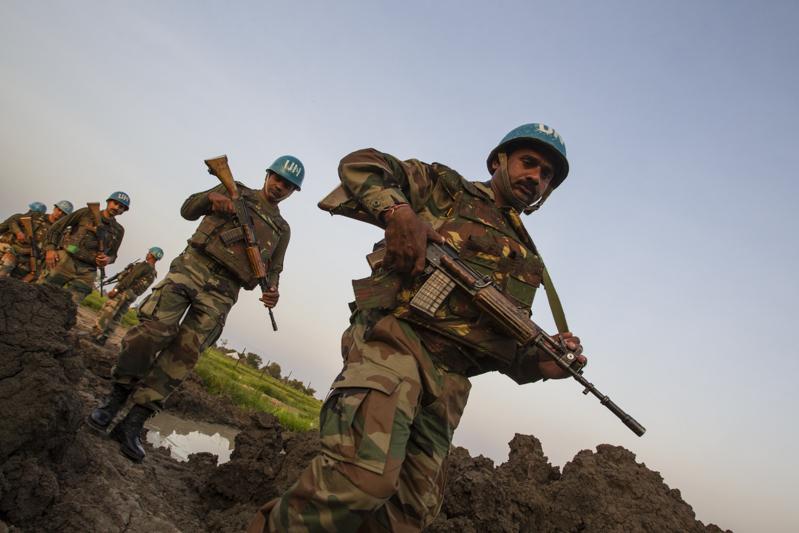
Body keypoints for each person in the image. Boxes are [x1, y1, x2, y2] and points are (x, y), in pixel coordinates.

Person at [249, 123, 588, 532]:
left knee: (409, 515)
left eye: (546, 175)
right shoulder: (447, 190)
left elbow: (500, 345)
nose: (535, 177)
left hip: (449, 385)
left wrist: (538, 363)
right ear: (498, 161)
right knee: (360, 481)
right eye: (528, 163)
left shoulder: (528, 259)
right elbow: (360, 164)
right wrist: (399, 213)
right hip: (396, 344)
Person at [87, 155, 304, 463]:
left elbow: (275, 267)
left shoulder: (282, 228)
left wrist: (273, 290)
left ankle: (133, 423)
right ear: (268, 175)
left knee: (183, 356)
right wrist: (211, 200)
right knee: (150, 332)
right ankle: (114, 401)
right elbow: (188, 209)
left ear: (293, 192)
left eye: (288, 186)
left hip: (224, 291)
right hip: (191, 269)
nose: (280, 187)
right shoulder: (234, 189)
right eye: (278, 179)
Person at [41, 193, 129, 304]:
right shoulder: (86, 213)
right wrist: (50, 249)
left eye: (121, 207)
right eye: (115, 203)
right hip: (66, 259)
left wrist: (107, 260)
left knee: (70, 305)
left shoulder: (119, 230)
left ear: (123, 211)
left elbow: (113, 255)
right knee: (42, 294)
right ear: (108, 202)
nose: (117, 208)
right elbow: (56, 228)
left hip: (88, 270)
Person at [89, 246, 164, 346]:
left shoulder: (144, 266)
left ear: (151, 255)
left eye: (149, 252)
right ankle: (104, 337)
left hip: (124, 292)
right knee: (117, 316)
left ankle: (95, 333)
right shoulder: (153, 272)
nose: (147, 254)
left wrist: (116, 290)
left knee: (108, 311)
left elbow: (130, 278)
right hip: (133, 296)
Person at [0, 200, 72, 281]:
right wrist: (18, 232)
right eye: (59, 210)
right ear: (54, 208)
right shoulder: (36, 216)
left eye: (64, 213)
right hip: (14, 251)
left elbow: (71, 246)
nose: (60, 213)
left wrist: (77, 250)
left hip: (31, 261)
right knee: (3, 273)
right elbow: (13, 221)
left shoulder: (62, 231)